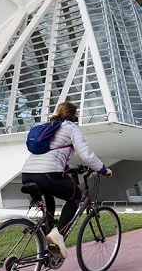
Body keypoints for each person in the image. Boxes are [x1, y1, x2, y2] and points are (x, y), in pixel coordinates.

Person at [21, 101, 112, 259]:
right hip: (48, 173)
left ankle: (46, 236)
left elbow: (50, 152)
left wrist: (65, 166)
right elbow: (86, 155)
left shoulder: (48, 126)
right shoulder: (71, 127)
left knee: (49, 197)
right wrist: (103, 169)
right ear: (74, 115)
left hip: (27, 173)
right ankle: (58, 236)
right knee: (75, 197)